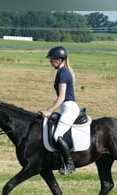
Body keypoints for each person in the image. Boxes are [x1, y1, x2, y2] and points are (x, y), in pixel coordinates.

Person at [41, 46, 80, 175]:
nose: (50, 62)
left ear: (59, 60)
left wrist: (49, 110)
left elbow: (61, 96)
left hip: (69, 108)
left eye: (51, 59)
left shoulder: (63, 73)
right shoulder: (62, 72)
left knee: (57, 136)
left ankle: (69, 164)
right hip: (66, 108)